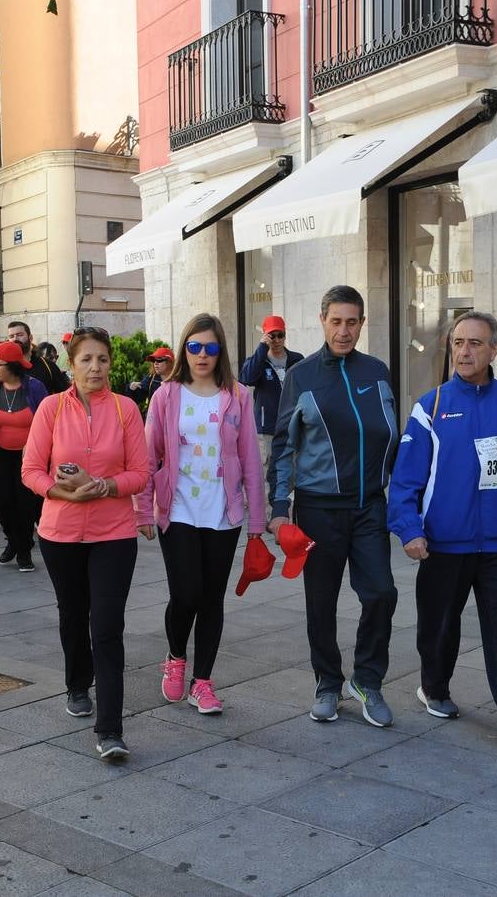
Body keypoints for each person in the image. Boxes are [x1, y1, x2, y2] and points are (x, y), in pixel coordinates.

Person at [388, 311, 497, 750]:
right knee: (439, 626)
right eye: (458, 343)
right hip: (442, 545)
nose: (464, 351)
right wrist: (409, 529)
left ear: (494, 350)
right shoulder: (430, 407)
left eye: (475, 343)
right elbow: (405, 480)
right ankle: (434, 687)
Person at [269, 285, 399, 728]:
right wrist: (278, 505)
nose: (344, 330)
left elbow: (390, 438)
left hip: (369, 507)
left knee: (381, 592)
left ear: (362, 323)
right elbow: (284, 445)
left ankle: (367, 680)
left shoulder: (378, 371)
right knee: (321, 603)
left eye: (353, 321)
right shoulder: (302, 376)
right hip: (319, 509)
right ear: (323, 321)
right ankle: (328, 681)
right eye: (336, 321)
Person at [21, 327, 148, 761]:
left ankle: (110, 730)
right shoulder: (51, 409)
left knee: (108, 626)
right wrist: (66, 493)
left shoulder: (127, 409)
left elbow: (139, 474)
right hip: (61, 533)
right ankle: (78, 683)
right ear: (71, 365)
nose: (96, 367)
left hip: (114, 533)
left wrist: (102, 485)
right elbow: (32, 470)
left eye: (103, 359)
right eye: (86, 360)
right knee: (73, 613)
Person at [135, 315, 264, 715]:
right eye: (194, 347)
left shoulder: (238, 395)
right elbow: (147, 453)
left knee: (212, 599)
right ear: (183, 349)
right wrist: (142, 509)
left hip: (224, 513)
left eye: (210, 347)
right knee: (186, 592)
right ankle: (175, 658)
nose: (202, 355)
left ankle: (202, 682)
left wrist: (257, 523)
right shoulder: (166, 395)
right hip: (178, 510)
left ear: (220, 351)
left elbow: (250, 461)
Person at [0, 340, 49, 572]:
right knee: (2, 502)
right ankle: (14, 541)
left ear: (14, 366)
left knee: (25, 504)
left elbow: (47, 418)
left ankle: (23, 550)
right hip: (0, 452)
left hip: (29, 456)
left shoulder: (34, 387)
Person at [238, 314, 303, 482]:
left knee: (294, 471)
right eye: (271, 336)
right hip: (267, 428)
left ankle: (289, 506)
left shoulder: (297, 360)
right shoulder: (258, 361)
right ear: (266, 336)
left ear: (285, 336)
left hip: (293, 425)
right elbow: (245, 379)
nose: (276, 340)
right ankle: (269, 507)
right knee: (268, 473)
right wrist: (261, 348)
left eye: (280, 335)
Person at [8, 320, 69, 393]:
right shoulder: (5, 367)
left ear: (30, 338)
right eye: (11, 336)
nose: (15, 339)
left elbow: (65, 395)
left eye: (20, 335)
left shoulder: (47, 366)